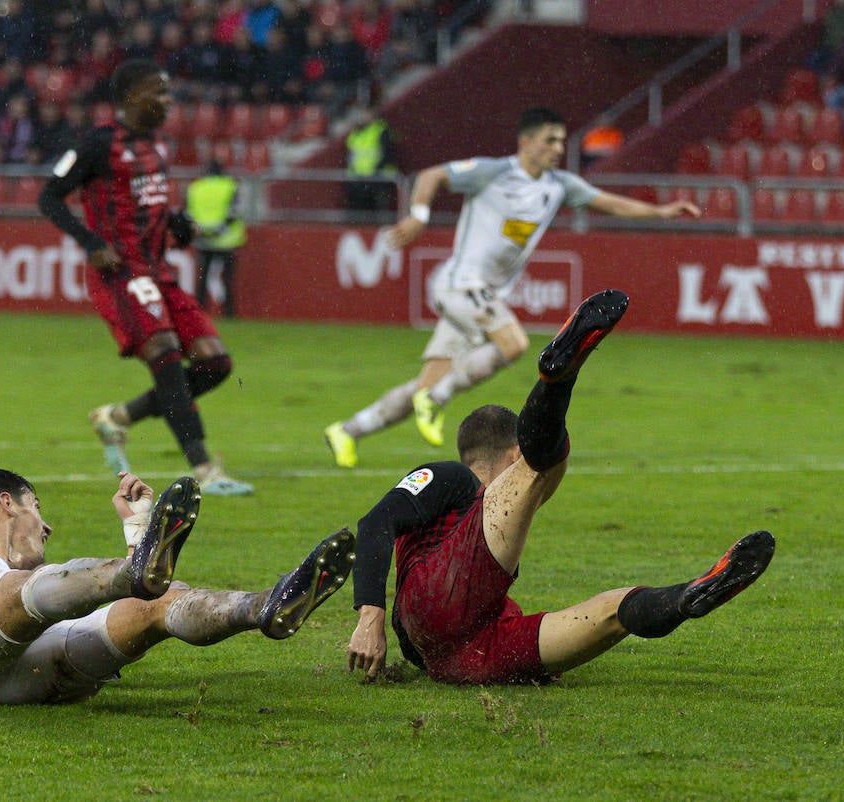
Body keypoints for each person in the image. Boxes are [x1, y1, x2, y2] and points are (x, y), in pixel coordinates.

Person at [345, 290, 776, 684]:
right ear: (511, 454)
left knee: (612, 613)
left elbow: (343, 548)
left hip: (465, 655)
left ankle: (688, 597)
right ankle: (556, 379)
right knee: (545, 467)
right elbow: (375, 522)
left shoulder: (460, 527)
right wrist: (370, 618)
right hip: (439, 600)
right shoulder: (454, 477)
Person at [322, 107, 700, 469]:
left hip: (482, 295)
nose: (557, 148)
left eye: (560, 141)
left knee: (425, 382)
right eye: (550, 140)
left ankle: (347, 430)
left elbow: (610, 204)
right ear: (526, 141)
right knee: (514, 344)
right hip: (460, 285)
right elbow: (431, 176)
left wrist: (661, 213)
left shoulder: (558, 186)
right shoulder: (492, 172)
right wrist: (419, 216)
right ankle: (435, 397)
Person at [0, 468, 355, 704]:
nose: (46, 526)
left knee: (156, 605)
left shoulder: (34, 583)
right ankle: (124, 573)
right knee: (19, 590)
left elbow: (147, 586)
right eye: (37, 506)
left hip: (28, 677)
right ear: (7, 503)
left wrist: (138, 525)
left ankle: (263, 608)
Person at [39, 60, 255, 496]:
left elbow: (151, 204)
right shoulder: (99, 144)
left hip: (160, 272)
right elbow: (50, 197)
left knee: (215, 363)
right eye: (159, 92)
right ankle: (205, 468)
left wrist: (177, 223)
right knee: (167, 355)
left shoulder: (156, 145)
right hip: (121, 273)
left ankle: (118, 418)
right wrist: (89, 241)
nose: (167, 100)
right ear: (133, 96)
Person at [187, 159, 247, 318]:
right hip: (226, 241)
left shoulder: (195, 187)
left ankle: (198, 313)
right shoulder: (231, 186)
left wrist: (203, 231)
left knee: (202, 279)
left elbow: (188, 214)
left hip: (203, 239)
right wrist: (219, 230)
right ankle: (229, 313)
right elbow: (235, 212)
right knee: (227, 279)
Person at [344, 104, 399, 214]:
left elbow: (387, 155)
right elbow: (351, 156)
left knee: (377, 212)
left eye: (363, 114)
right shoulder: (355, 133)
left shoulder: (381, 131)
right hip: (357, 179)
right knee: (358, 211)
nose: (360, 117)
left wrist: (376, 171)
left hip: (378, 178)